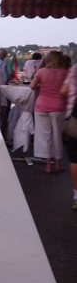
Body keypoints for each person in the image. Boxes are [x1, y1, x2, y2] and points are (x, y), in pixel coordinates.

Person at [30, 51, 68, 173]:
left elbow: (31, 86)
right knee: (57, 135)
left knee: (44, 135)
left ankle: (47, 165)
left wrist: (41, 86)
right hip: (58, 106)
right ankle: (58, 164)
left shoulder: (41, 72)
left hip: (42, 105)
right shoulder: (65, 73)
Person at [61, 62, 77, 210]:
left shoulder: (75, 68)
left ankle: (76, 196)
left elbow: (64, 90)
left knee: (75, 159)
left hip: (75, 118)